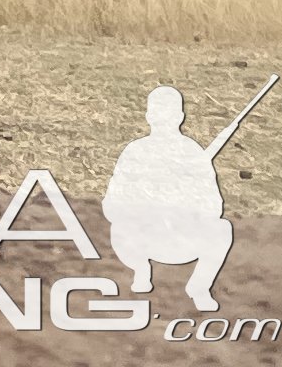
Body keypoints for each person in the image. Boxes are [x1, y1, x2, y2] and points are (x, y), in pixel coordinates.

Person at [101, 86, 235, 313]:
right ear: (149, 117)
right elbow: (111, 206)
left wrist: (183, 202)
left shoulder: (193, 154)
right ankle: (141, 269)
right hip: (141, 241)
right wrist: (145, 202)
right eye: (159, 114)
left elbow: (214, 208)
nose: (163, 120)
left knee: (223, 229)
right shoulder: (135, 151)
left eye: (168, 115)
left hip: (181, 240)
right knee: (120, 226)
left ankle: (199, 287)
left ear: (180, 118)